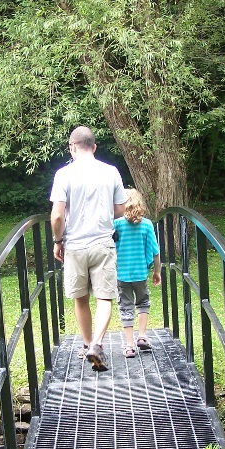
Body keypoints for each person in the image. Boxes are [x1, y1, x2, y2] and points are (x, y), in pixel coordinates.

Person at [49, 126, 127, 370]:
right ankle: (97, 344)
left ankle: (86, 344)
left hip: (74, 245)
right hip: (103, 243)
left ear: (72, 146)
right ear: (94, 147)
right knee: (104, 297)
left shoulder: (64, 174)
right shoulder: (111, 172)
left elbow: (57, 216)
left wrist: (57, 241)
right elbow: (121, 210)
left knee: (80, 298)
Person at [113, 188, 161, 358]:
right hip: (140, 273)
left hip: (121, 274)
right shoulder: (147, 224)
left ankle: (129, 345)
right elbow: (155, 251)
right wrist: (156, 271)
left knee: (125, 306)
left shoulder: (116, 224)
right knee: (143, 302)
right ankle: (142, 336)